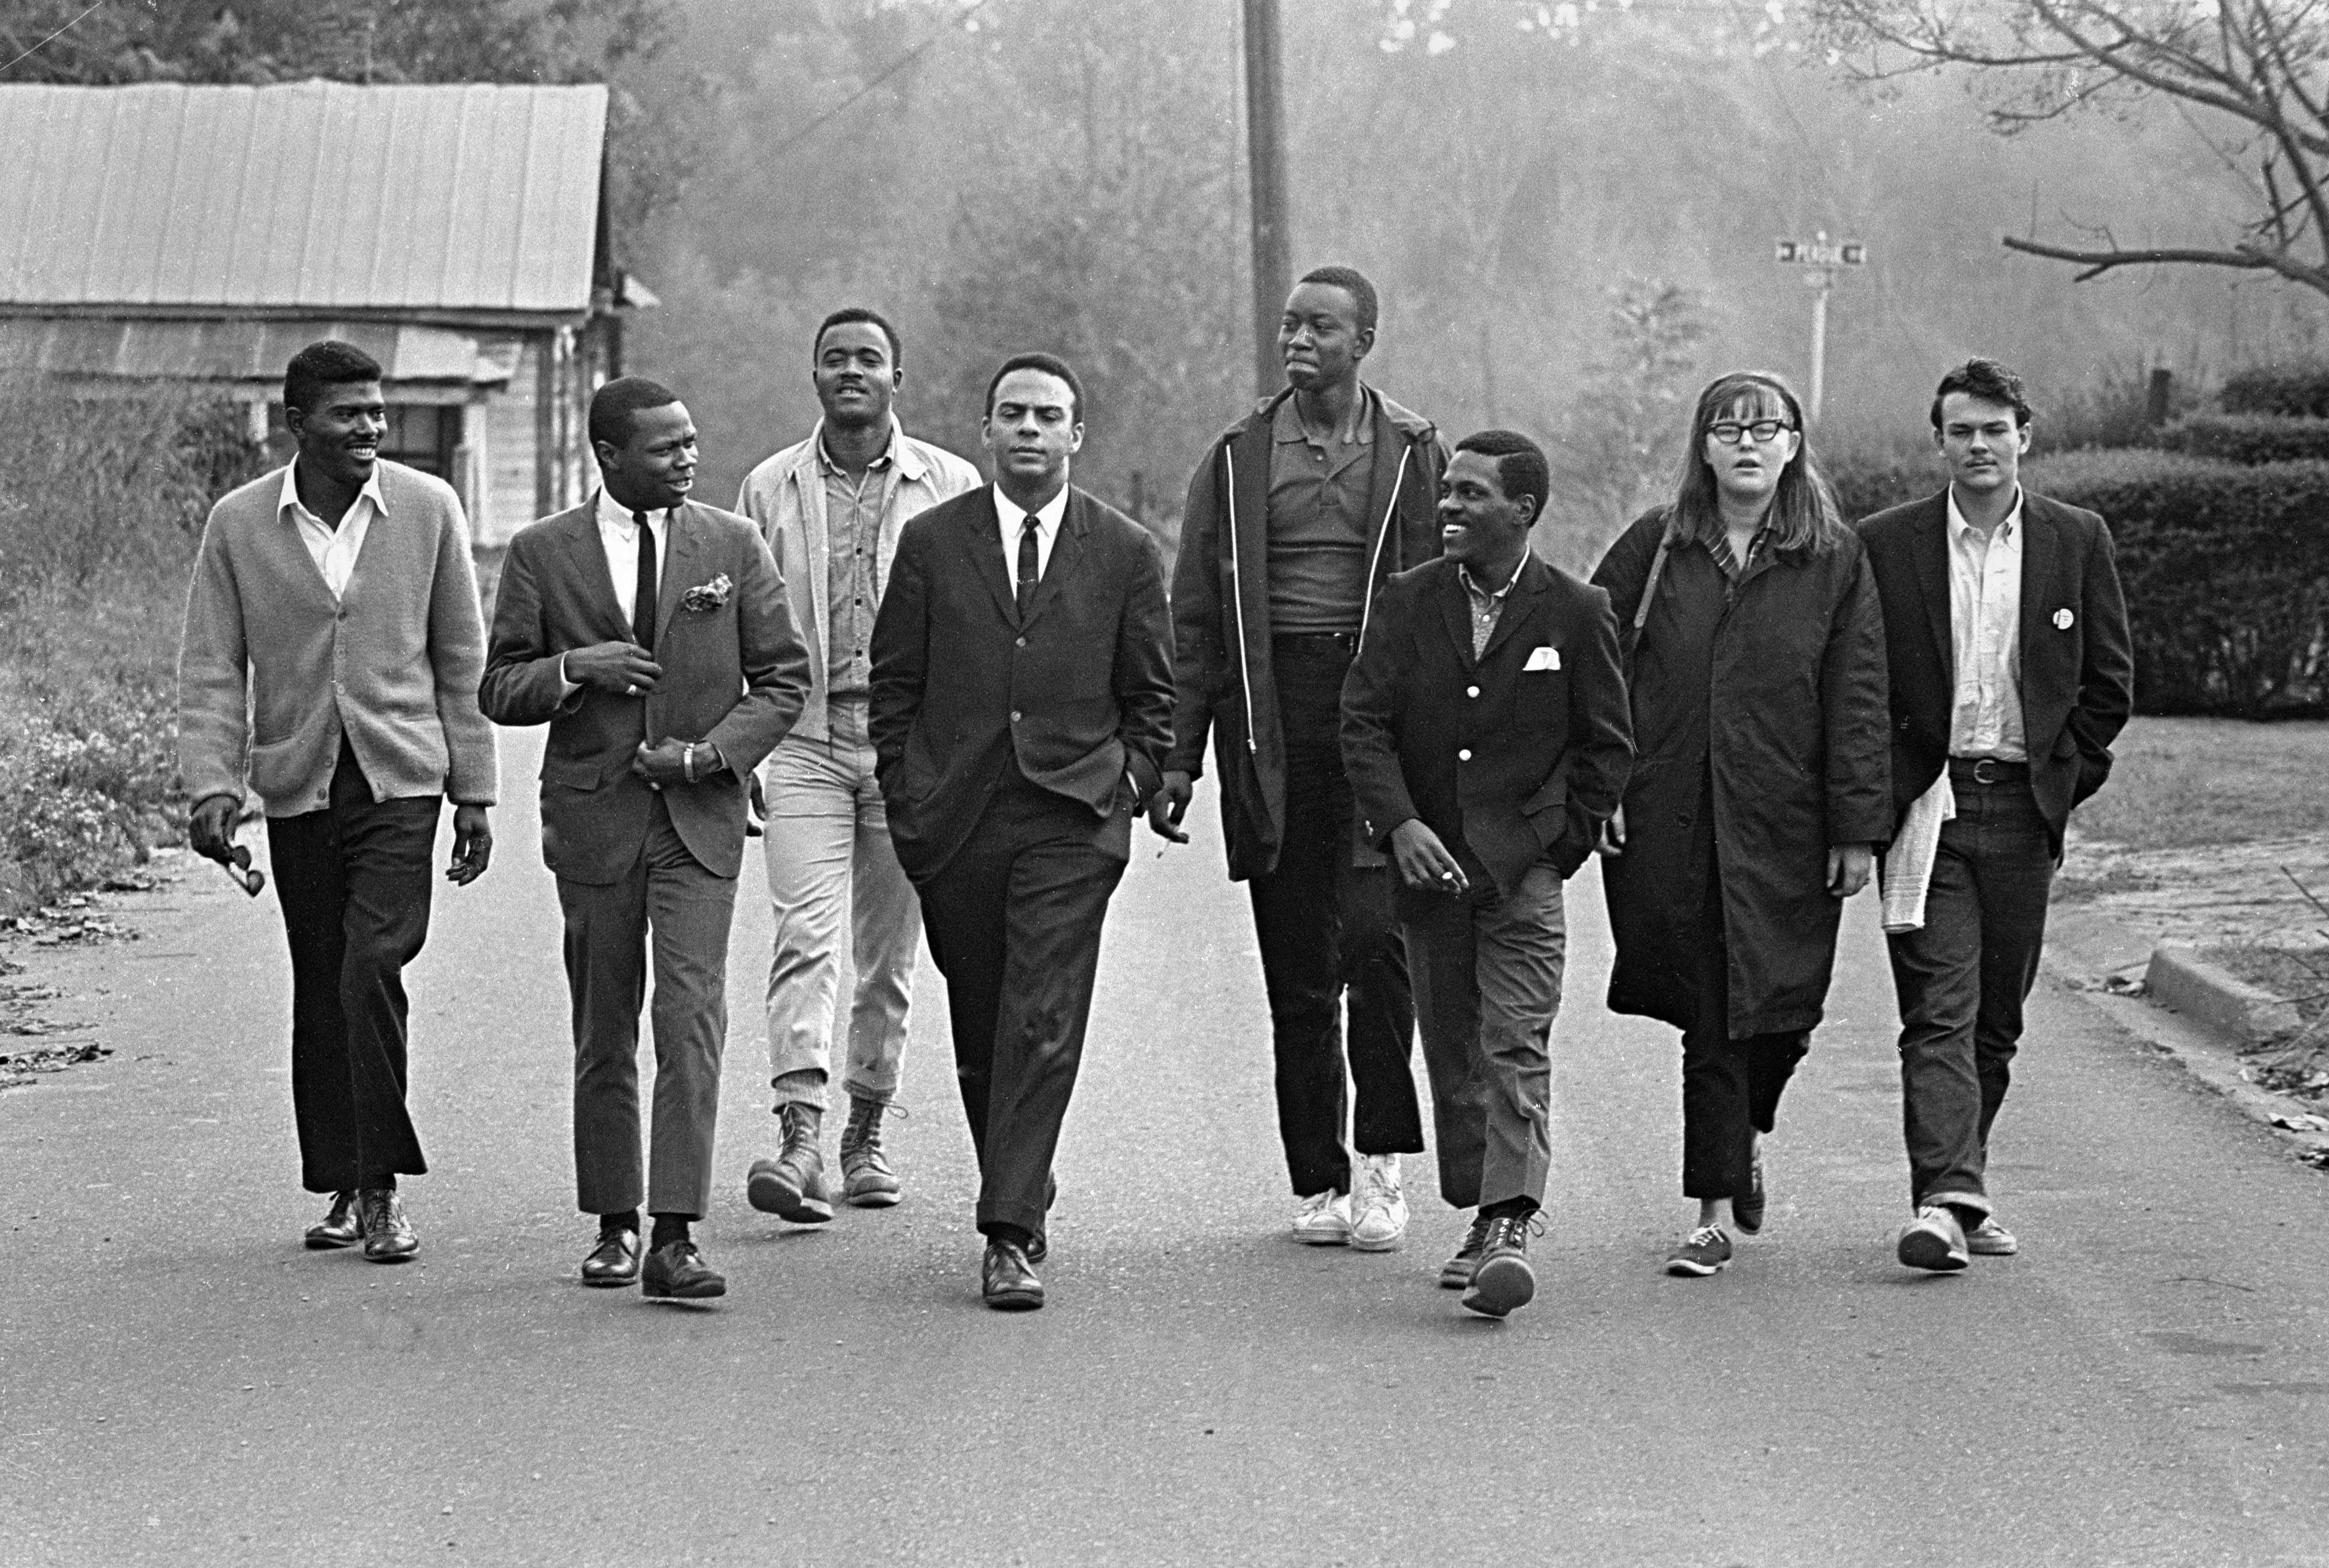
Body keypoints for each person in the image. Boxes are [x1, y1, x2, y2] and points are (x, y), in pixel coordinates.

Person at [480, 377, 809, 1301]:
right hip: (595, 820)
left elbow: (785, 678)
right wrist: (572, 668)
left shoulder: (731, 544)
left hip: (698, 823)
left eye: (692, 442)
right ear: (610, 455)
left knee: (692, 1018)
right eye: (666, 448)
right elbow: (498, 686)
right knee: (604, 1024)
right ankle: (614, 1222)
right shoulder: (544, 553)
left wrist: (712, 756)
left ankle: (675, 1233)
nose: (688, 458)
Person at [178, 338, 498, 1262]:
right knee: (322, 984)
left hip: (402, 780)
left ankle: (385, 1189)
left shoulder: (428, 509)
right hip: (299, 784)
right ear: (297, 424)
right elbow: (209, 669)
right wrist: (211, 783)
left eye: (377, 410)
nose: (372, 427)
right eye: (349, 413)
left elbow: (461, 661)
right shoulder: (239, 527)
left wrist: (474, 789)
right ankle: (345, 1181)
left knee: (370, 968)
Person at [1149, 265, 1445, 1252]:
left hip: (1379, 723)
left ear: (1366, 339)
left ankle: (1383, 1165)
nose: (1299, 339)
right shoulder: (1237, 456)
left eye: (1321, 326)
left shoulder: (1413, 450)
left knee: (1376, 940)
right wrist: (1180, 752)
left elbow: (1452, 596)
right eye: (1290, 325)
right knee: (1299, 968)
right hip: (1269, 723)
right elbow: (1194, 616)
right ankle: (1317, 1175)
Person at [869, 352, 1174, 1311]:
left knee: (1043, 1010)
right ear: (987, 430)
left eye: (1049, 416)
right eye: (1014, 415)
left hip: (1071, 814)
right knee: (985, 1015)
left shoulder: (1124, 550)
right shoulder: (930, 542)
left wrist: (1128, 780)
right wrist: (906, 800)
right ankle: (1020, 1172)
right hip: (956, 815)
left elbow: (1154, 694)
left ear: (1078, 434)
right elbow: (894, 687)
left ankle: (1009, 1229)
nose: (1031, 430)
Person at [1591, 370, 1891, 1279]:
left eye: (1766, 428)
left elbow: (1859, 691)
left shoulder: (1831, 557)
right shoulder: (1655, 545)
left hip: (1785, 820)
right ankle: (1713, 1208)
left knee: (1786, 1008)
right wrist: (1599, 781)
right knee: (1712, 1013)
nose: (1746, 443)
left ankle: (1745, 1131)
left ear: (1794, 444)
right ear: (1704, 447)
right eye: (1727, 429)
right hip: (1674, 815)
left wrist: (1854, 825)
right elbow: (1594, 667)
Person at [1341, 431, 1631, 1318]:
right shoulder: (1406, 599)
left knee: (1515, 1045)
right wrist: (1399, 826)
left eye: (1471, 494)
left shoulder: (1577, 612)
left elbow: (1607, 749)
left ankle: (1507, 1221)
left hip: (1522, 876)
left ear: (1523, 510)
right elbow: (1362, 725)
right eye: (1449, 492)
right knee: (1455, 1048)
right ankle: (1478, 1207)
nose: (1449, 507)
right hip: (1428, 878)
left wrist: (1552, 850)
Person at [1859, 358, 2133, 1272]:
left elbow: (2108, 682)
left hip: (2023, 805)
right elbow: (1859, 682)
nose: (1978, 446)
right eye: (1960, 431)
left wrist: (2065, 774)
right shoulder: (1888, 544)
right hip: (1925, 807)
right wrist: (1880, 789)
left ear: (2026, 435)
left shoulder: (2074, 538)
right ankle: (1945, 1197)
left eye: (1994, 429)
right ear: (1937, 442)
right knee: (1938, 1005)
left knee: (1995, 1021)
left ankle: (1960, 1187)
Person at [733, 307, 982, 1225]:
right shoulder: (769, 486)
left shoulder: (948, 483)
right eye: (835, 359)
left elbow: (976, 617)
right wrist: (741, 742)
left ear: (896, 380)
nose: (851, 373)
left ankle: (865, 1129)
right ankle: (798, 1130)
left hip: (907, 751)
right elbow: (743, 622)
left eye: (868, 360)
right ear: (813, 376)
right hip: (801, 741)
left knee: (888, 955)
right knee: (804, 935)